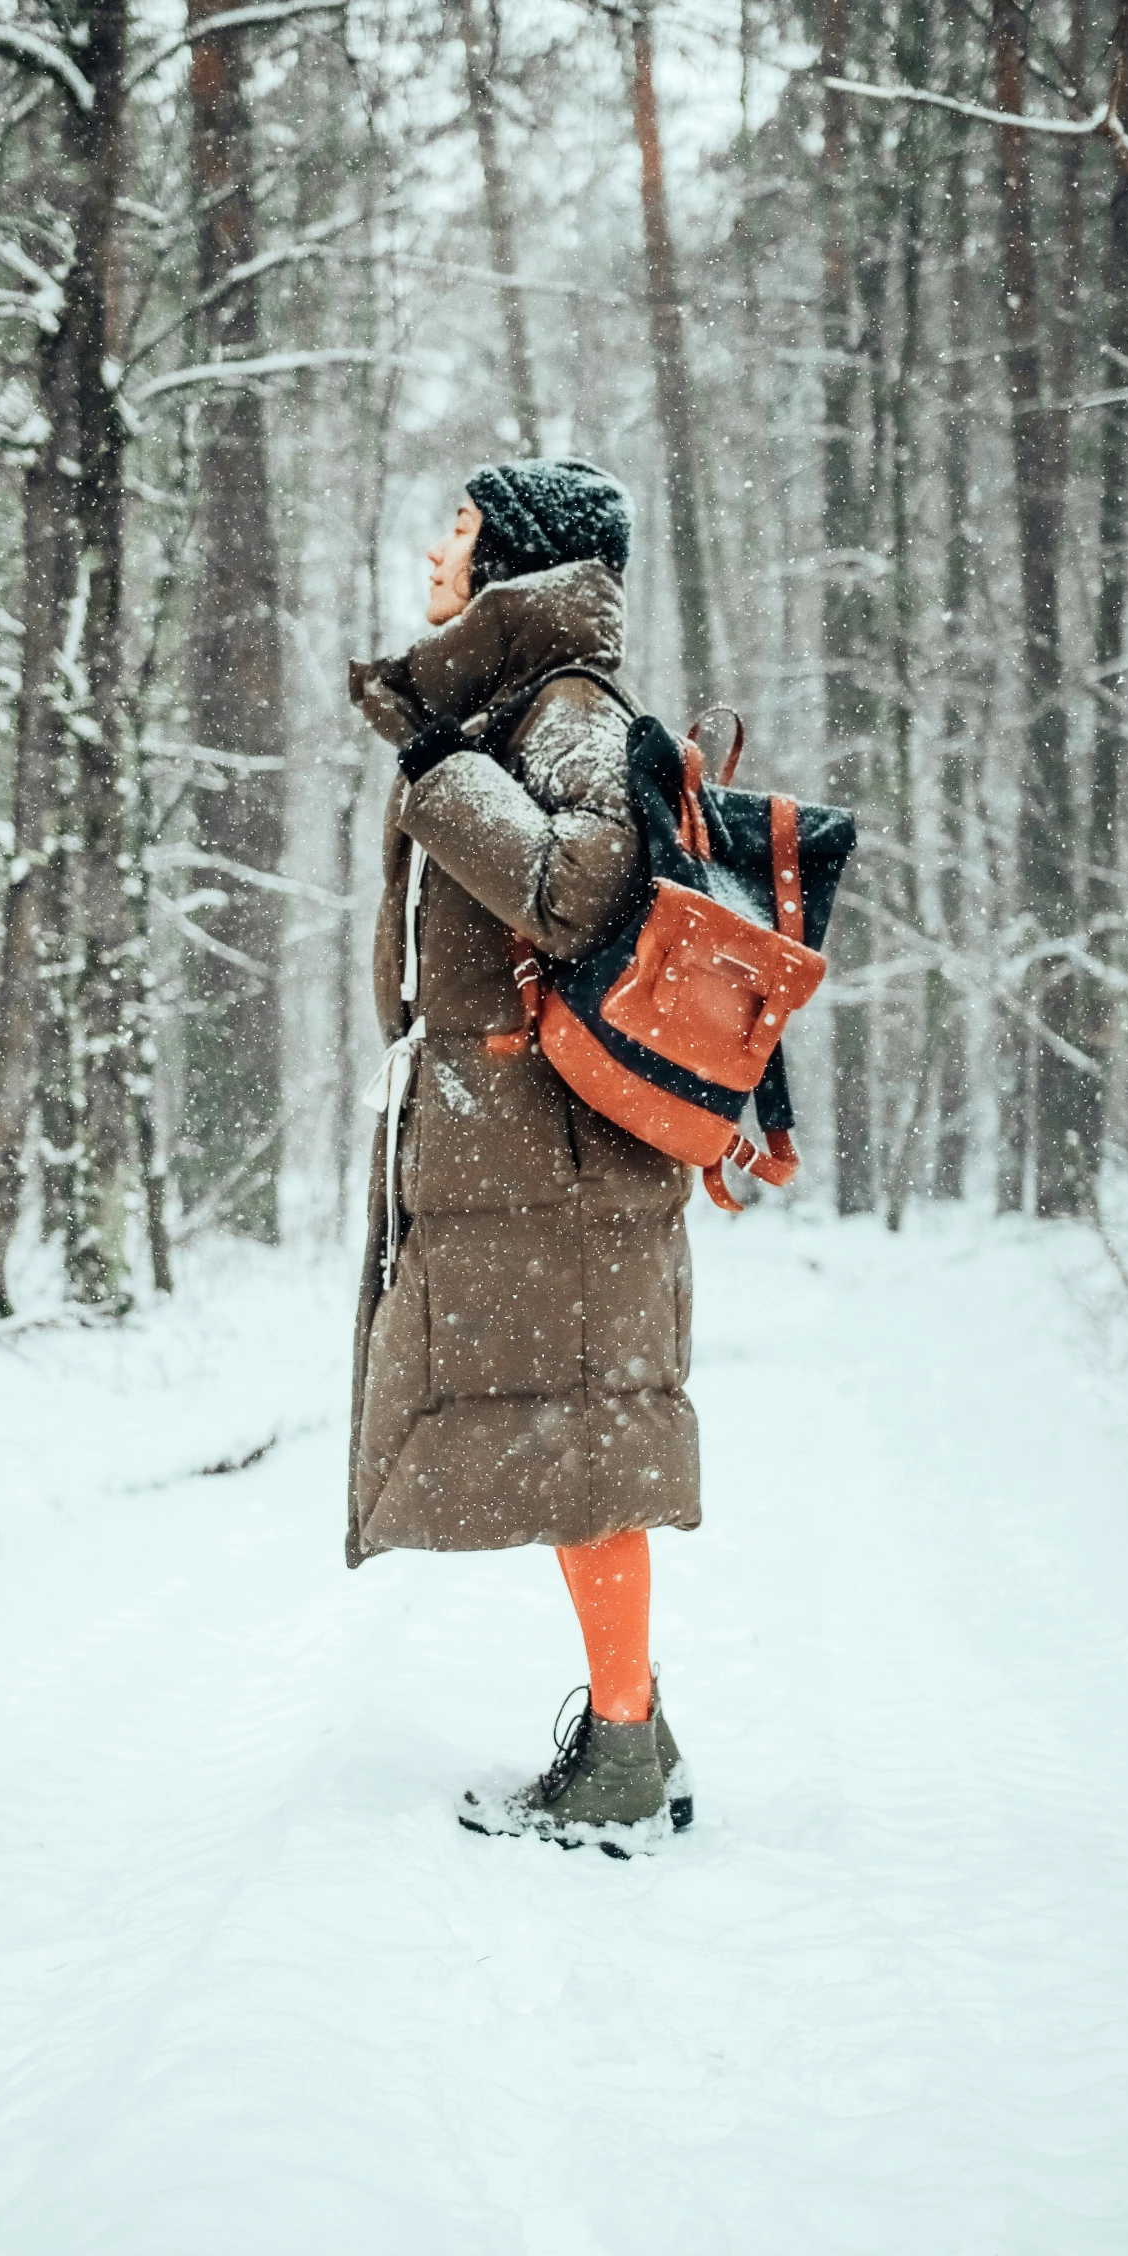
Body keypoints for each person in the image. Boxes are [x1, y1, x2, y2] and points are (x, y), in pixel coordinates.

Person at [346, 459, 698, 1854]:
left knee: (585, 1447)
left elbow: (578, 882)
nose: (437, 545)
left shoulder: (564, 714)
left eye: (462, 527)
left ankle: (622, 1747)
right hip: (524, 1155)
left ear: (518, 560)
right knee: (570, 1445)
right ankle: (631, 1725)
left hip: (556, 1161)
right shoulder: (508, 706)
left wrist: (443, 780)